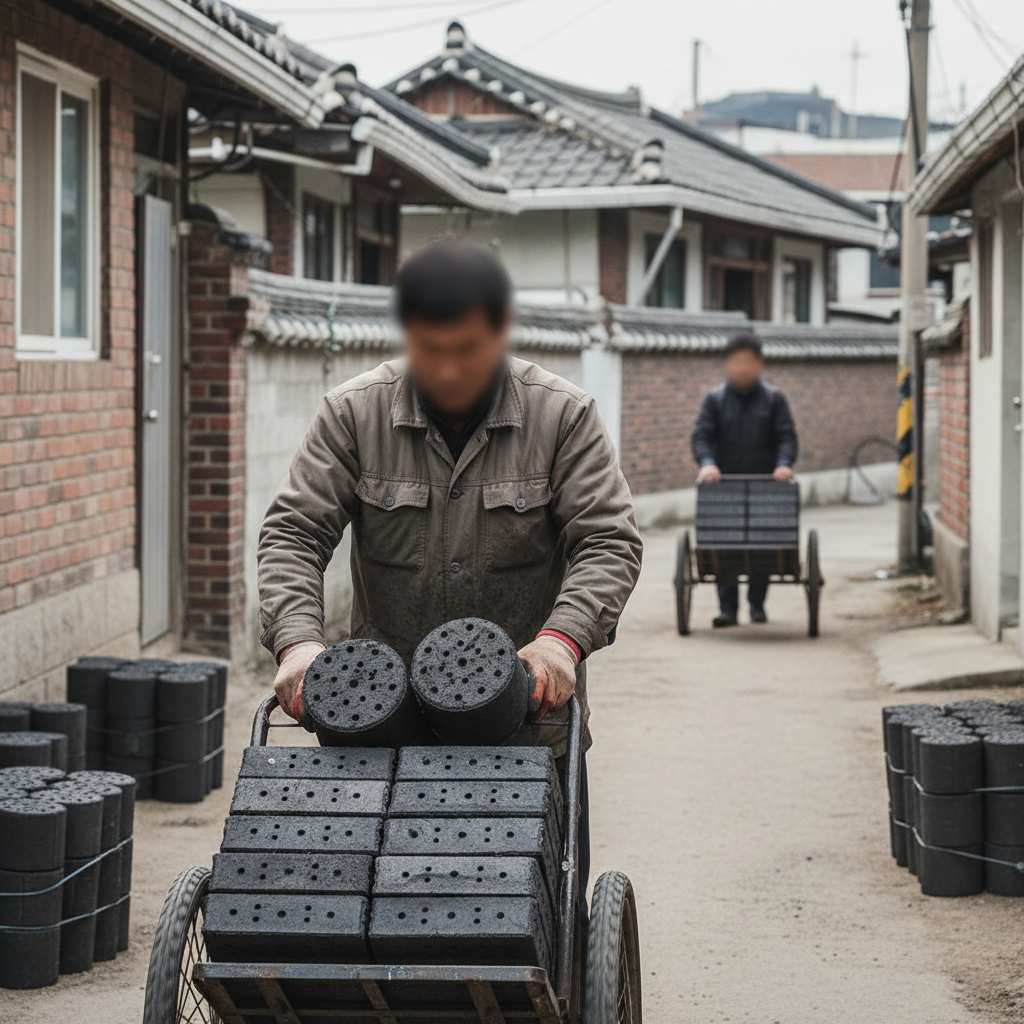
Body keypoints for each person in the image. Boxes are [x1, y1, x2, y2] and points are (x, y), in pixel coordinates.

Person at [258, 239, 643, 895]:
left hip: (523, 719)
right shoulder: (354, 413)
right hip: (378, 720)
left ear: (499, 332)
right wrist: (297, 645)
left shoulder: (562, 417)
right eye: (430, 350)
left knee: (529, 917)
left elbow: (608, 541)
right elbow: (294, 532)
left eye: (467, 350)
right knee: (357, 913)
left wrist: (561, 642)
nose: (448, 371)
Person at [691, 331, 798, 628]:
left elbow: (786, 437)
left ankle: (756, 605)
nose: (742, 368)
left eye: (748, 362)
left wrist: (783, 465)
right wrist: (708, 464)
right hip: (723, 486)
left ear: (759, 365)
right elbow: (701, 437)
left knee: (763, 543)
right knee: (723, 542)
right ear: (728, 365)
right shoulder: (714, 400)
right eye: (737, 362)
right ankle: (727, 609)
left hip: (765, 485)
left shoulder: (775, 400)